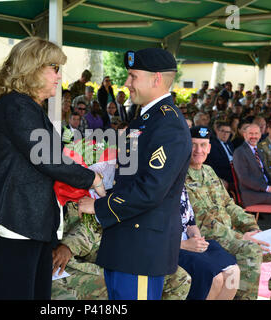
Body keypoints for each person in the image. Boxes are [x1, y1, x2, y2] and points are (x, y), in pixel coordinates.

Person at [0, 37, 106, 300]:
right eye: (54, 67)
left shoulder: (26, 107)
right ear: (31, 68)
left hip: (27, 224)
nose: (59, 76)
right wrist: (93, 179)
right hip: (11, 224)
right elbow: (47, 158)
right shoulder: (17, 105)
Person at [78, 47, 192, 300]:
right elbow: (128, 174)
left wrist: (98, 207)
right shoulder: (146, 120)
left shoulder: (167, 124)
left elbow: (150, 190)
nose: (127, 83)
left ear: (156, 78)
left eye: (133, 76)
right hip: (127, 241)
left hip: (142, 248)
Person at [185, 126, 271, 300]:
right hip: (211, 240)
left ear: (209, 148)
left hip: (235, 236)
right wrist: (242, 238)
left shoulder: (209, 172)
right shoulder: (180, 177)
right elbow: (202, 224)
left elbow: (229, 205)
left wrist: (252, 228)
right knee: (250, 250)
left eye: (203, 145)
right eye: (194, 145)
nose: (198, 150)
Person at [51, 202, 192, 300]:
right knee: (120, 286)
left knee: (180, 279)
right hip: (55, 258)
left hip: (104, 241)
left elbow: (93, 224)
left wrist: (70, 246)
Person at [178, 186, 239, 300]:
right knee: (215, 278)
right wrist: (186, 244)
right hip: (171, 248)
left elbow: (191, 223)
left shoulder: (181, 188)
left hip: (190, 244)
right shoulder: (156, 190)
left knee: (233, 272)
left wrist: (197, 239)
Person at [204, 121, 234, 189]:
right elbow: (211, 165)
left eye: (227, 132)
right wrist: (218, 179)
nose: (225, 134)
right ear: (217, 131)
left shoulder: (230, 144)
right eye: (222, 131)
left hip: (234, 174)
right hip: (222, 177)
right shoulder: (212, 145)